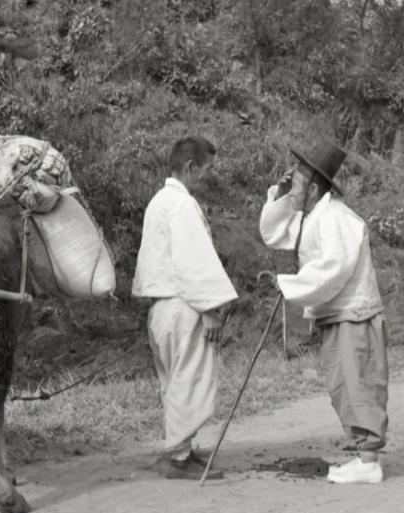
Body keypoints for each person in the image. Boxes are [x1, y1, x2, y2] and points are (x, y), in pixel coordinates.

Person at [259, 141, 389, 484]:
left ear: (314, 188)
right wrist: (284, 192)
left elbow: (334, 267)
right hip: (339, 315)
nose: (292, 185)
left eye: (299, 181)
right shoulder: (314, 216)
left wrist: (289, 285)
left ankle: (370, 460)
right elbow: (273, 232)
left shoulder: (337, 218)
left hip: (355, 315)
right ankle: (364, 457)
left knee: (357, 384)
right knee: (341, 385)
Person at [132, 136, 238, 480]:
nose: (207, 177)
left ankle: (182, 449)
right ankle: (178, 459)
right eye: (206, 170)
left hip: (162, 309)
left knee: (175, 381)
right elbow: (193, 262)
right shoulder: (182, 205)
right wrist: (211, 308)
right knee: (189, 379)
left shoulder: (158, 202)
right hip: (182, 305)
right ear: (190, 168)